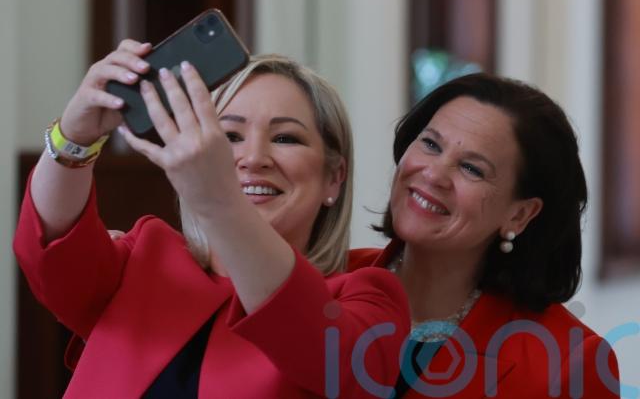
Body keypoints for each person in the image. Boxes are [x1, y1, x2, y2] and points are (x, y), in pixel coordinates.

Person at [13, 40, 410, 398]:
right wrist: (75, 136)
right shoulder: (145, 257)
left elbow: (329, 358)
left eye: (285, 138)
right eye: (230, 137)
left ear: (334, 177)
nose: (254, 158)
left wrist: (220, 202)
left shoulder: (368, 299)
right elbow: (51, 248)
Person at [349, 73, 621, 398]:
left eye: (472, 169)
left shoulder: (568, 363)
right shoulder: (324, 278)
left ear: (519, 214)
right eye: (431, 144)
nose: (434, 174)